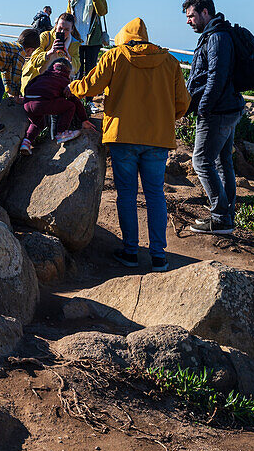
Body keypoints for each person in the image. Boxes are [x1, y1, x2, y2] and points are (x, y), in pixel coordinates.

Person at [69, 17, 190, 272]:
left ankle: (131, 251)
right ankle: (159, 256)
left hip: (123, 135)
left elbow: (91, 86)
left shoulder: (115, 56)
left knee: (127, 194)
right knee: (155, 194)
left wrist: (69, 87)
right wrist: (164, 119)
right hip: (157, 139)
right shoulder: (170, 62)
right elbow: (183, 103)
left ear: (124, 37)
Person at [183, 0, 244, 236]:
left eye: (191, 16)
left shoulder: (217, 37)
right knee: (222, 161)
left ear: (205, 12)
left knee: (201, 162)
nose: (188, 21)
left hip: (217, 111)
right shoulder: (217, 34)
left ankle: (220, 218)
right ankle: (226, 213)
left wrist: (203, 108)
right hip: (228, 108)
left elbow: (215, 78)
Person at [21, 59, 90, 154]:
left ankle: (26, 142)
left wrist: (25, 98)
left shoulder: (41, 76)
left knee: (38, 124)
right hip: (43, 103)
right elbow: (75, 101)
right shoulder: (64, 80)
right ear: (68, 72)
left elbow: (28, 86)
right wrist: (84, 119)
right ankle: (62, 133)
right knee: (70, 106)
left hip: (28, 103)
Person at [67, 0, 108, 112]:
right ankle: (77, 98)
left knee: (90, 70)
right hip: (76, 38)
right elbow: (68, 16)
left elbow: (103, 12)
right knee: (77, 69)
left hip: (93, 40)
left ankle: (90, 101)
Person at [26, 12, 81, 78]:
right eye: (60, 28)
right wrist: (49, 52)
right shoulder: (45, 36)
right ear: (56, 25)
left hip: (57, 80)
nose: (62, 32)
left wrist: (68, 57)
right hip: (36, 78)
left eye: (66, 29)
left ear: (72, 30)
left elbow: (76, 68)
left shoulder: (74, 44)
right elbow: (34, 60)